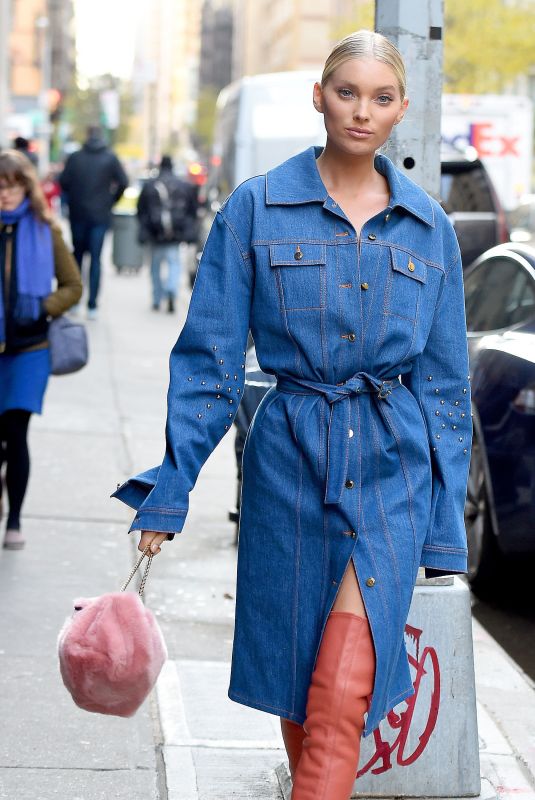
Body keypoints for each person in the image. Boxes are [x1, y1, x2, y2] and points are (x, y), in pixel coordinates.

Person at [113, 30, 472, 799]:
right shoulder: (256, 207)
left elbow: (444, 390)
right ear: (319, 96)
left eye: (381, 98)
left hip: (391, 468)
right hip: (288, 464)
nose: (361, 111)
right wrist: (171, 487)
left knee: (342, 693)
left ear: (401, 109)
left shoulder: (427, 227)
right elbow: (208, 358)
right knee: (305, 694)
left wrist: (444, 530)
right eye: (347, 92)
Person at [0, 150, 82, 550]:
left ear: (25, 186)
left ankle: (14, 518)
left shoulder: (44, 229)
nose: (6, 194)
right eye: (0, 186)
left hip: (29, 349)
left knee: (15, 434)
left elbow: (73, 286)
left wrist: (42, 307)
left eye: (13, 185)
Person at [59, 126, 127, 319]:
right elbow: (123, 182)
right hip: (100, 216)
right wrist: (110, 201)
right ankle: (92, 305)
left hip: (78, 215)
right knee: (96, 260)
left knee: (77, 258)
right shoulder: (110, 158)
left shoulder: (75, 158)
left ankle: (74, 301)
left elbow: (63, 182)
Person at [136, 154, 198, 313]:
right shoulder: (183, 185)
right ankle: (171, 288)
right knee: (174, 263)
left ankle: (157, 298)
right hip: (175, 233)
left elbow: (141, 209)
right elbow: (192, 211)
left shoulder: (150, 185)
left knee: (155, 266)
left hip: (155, 233)